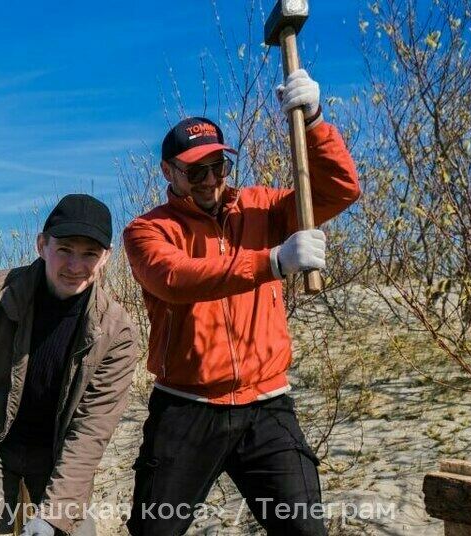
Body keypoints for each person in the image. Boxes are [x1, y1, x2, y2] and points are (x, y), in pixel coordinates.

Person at [122, 69, 360, 535]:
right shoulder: (146, 230)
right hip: (187, 407)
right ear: (169, 172)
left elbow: (339, 189)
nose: (210, 179)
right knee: (153, 531)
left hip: (267, 405)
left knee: (305, 532)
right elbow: (175, 279)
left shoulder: (263, 207)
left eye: (219, 166)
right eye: (196, 170)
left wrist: (314, 122)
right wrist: (271, 261)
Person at [0, 194, 141, 536]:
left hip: (59, 454)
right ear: (42, 245)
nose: (75, 266)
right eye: (65, 249)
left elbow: (91, 431)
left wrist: (54, 516)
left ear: (106, 257)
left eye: (89, 254)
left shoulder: (117, 333)